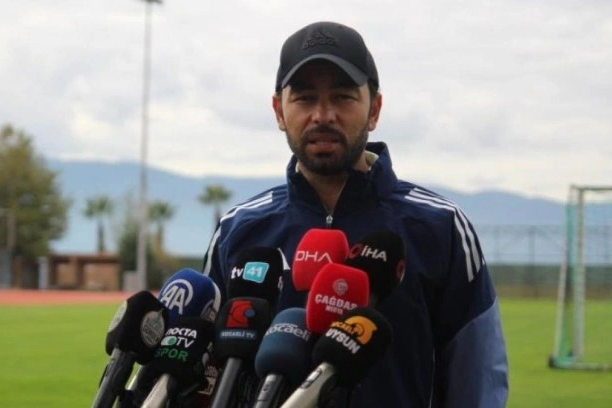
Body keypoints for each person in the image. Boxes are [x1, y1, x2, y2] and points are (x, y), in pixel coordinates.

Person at [202, 21, 508, 407]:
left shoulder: (441, 227)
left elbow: (478, 382)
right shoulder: (238, 230)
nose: (323, 115)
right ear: (279, 111)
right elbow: (205, 377)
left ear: (374, 109)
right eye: (305, 98)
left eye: (343, 97)